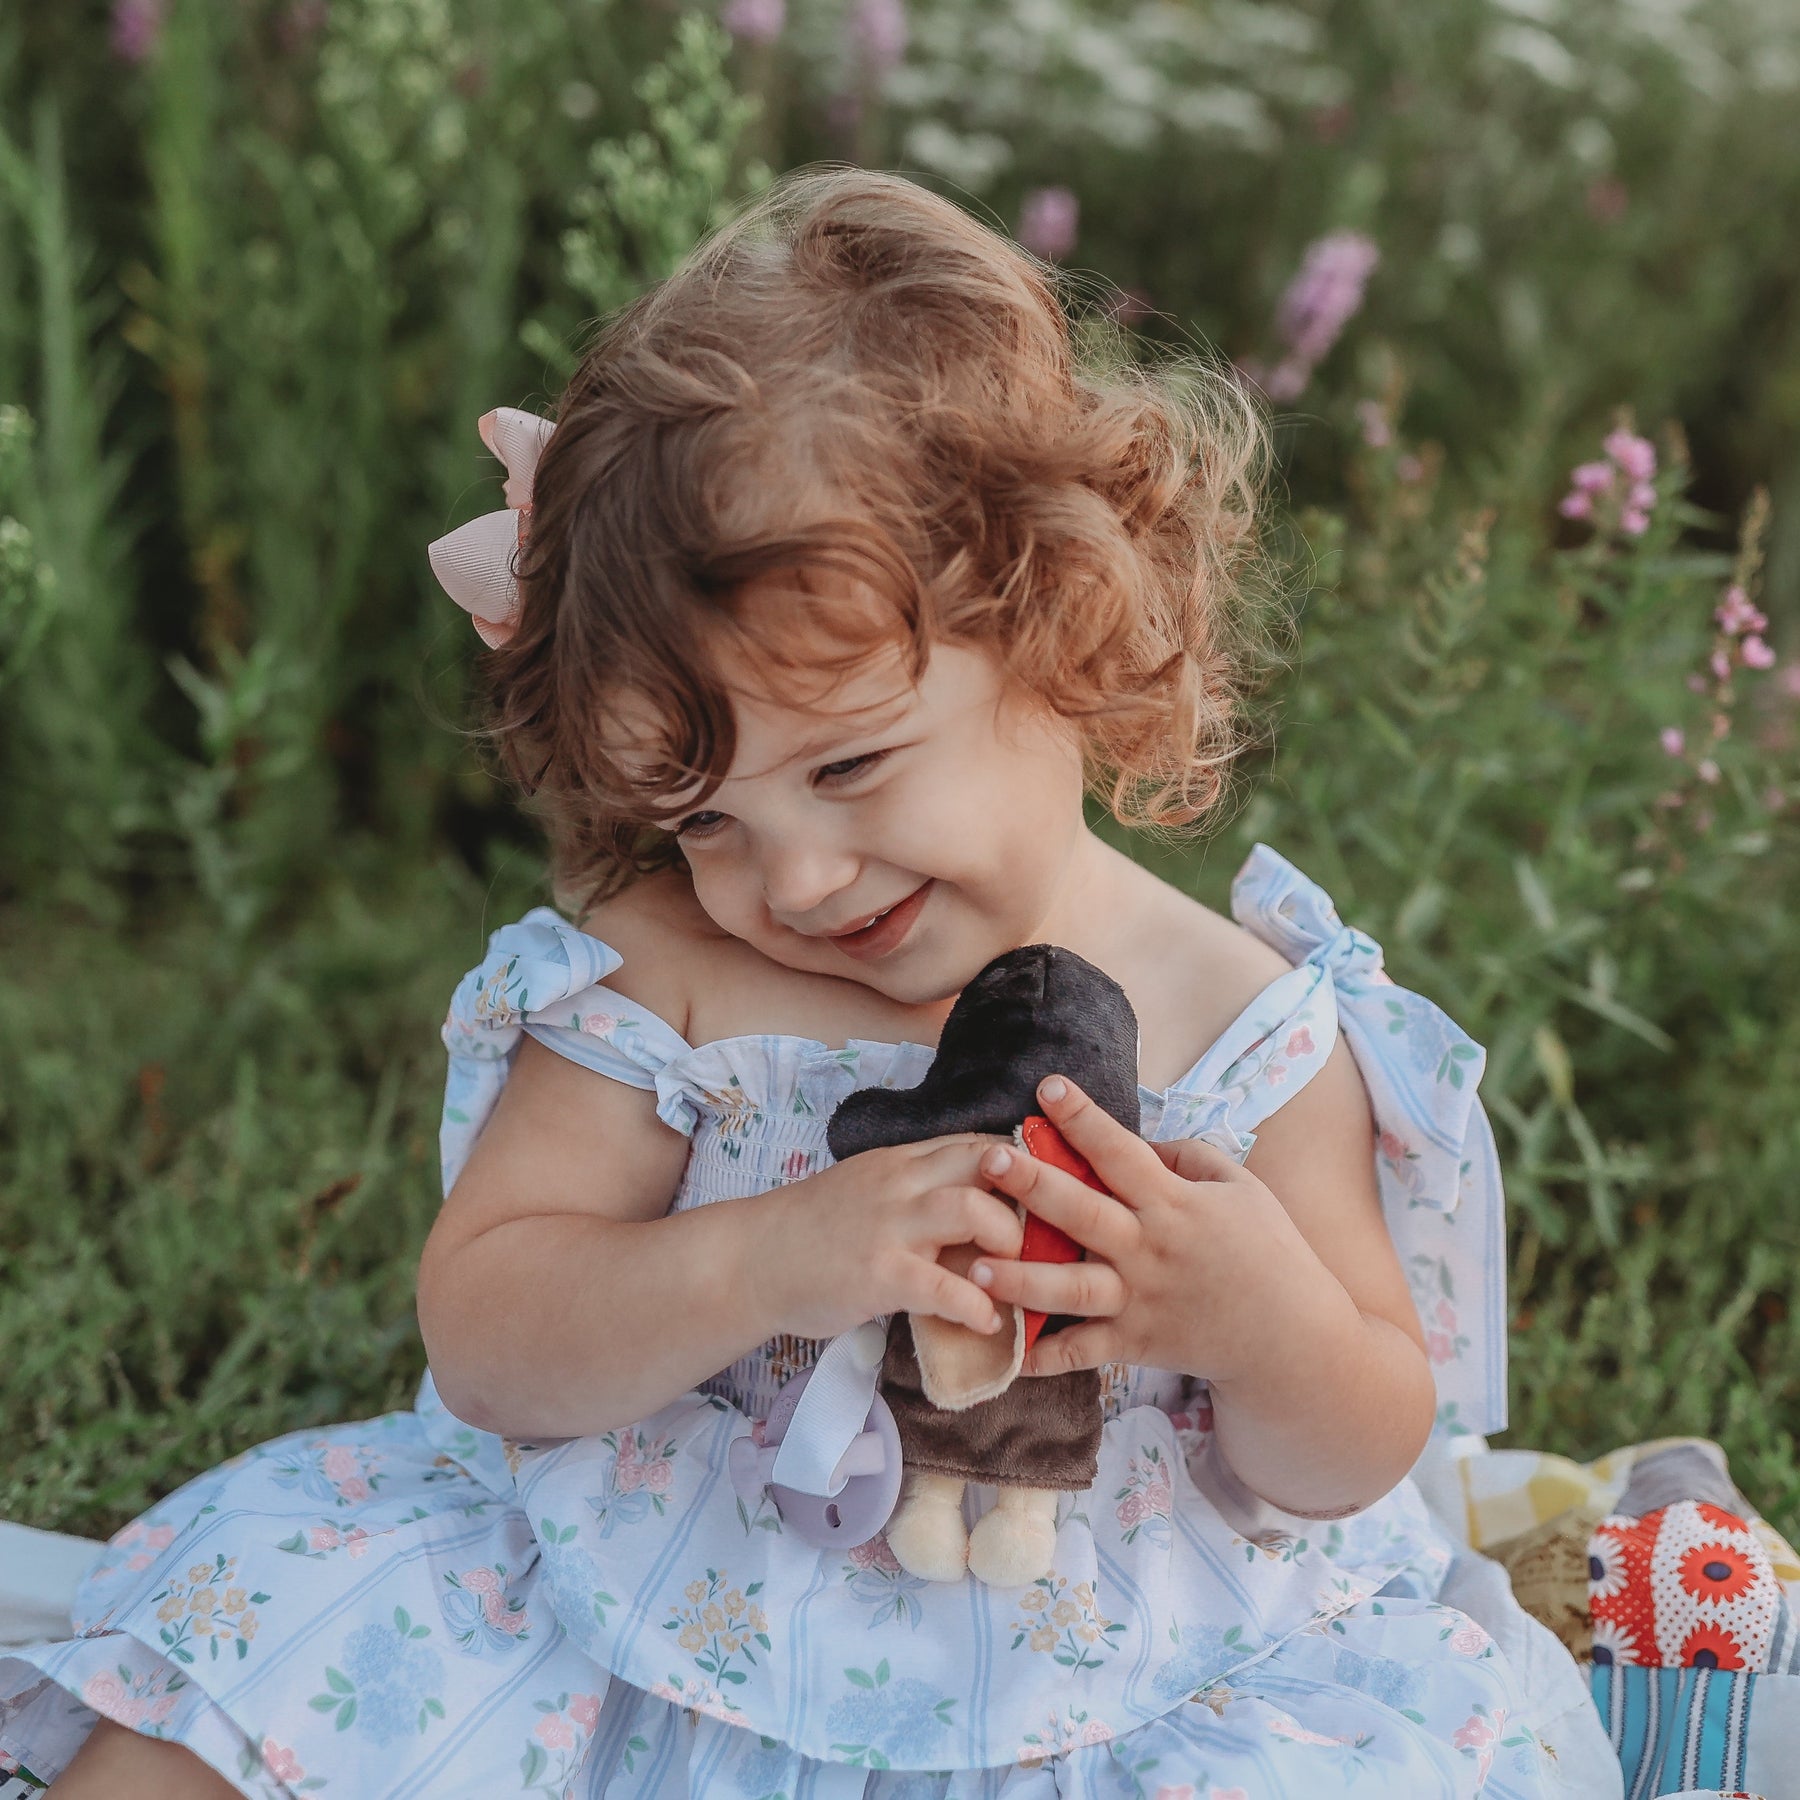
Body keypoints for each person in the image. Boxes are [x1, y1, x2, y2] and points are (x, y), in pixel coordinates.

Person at [1, 169, 1617, 1799]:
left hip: (1112, 1677)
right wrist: (766, 1256)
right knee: (251, 1693)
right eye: (705, 815)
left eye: (849, 767)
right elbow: (491, 1333)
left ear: (1061, 621)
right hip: (635, 1605)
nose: (793, 879)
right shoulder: (676, 982)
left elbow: (1353, 1454)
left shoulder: (1244, 1023)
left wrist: (1255, 1323)